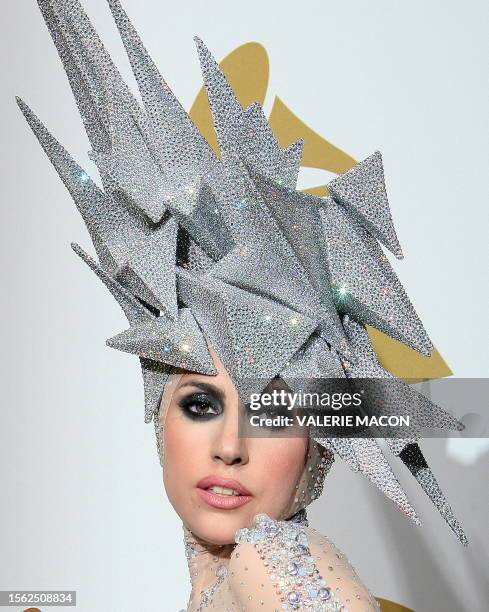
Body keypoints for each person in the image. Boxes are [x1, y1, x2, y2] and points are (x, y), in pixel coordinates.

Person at [17, 0, 468, 610]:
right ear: (159, 417)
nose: (231, 446)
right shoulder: (225, 587)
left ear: (321, 445)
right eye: (200, 404)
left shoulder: (270, 562)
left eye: (276, 413)